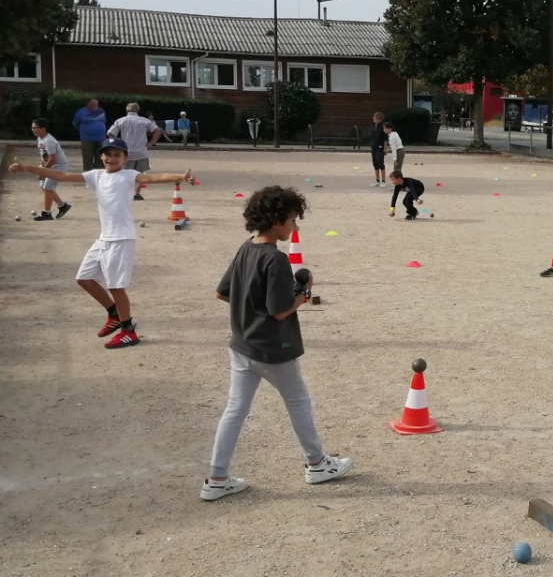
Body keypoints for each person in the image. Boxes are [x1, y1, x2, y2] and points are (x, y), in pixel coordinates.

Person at [203, 186, 354, 501]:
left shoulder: (246, 248)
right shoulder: (276, 259)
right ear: (276, 221)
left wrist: (251, 307)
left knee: (235, 409)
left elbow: (222, 292)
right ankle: (317, 463)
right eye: (292, 219)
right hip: (273, 349)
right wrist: (304, 293)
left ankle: (216, 478)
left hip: (241, 346)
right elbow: (280, 310)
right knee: (298, 402)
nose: (295, 226)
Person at [8, 139, 195, 349]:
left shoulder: (128, 175)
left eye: (117, 155)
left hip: (121, 238)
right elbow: (61, 176)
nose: (111, 159)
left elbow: (154, 177)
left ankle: (128, 331)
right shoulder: (96, 175)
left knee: (115, 286)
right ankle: (114, 314)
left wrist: (180, 176)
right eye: (108, 154)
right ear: (101, 156)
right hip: (104, 238)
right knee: (84, 278)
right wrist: (27, 168)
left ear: (125, 158)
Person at [106, 103, 163, 200]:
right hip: (141, 152)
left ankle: (124, 193)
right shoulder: (144, 120)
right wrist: (151, 142)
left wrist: (117, 144)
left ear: (127, 110)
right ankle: (136, 193)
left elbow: (110, 133)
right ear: (138, 110)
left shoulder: (120, 120)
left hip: (126, 152)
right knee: (140, 174)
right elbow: (158, 130)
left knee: (124, 174)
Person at [27, 118, 73, 221]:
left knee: (48, 188)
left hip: (59, 166)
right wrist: (42, 167)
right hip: (51, 165)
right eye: (32, 128)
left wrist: (43, 171)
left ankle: (46, 213)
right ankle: (63, 206)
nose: (33, 130)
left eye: (36, 128)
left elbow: (53, 158)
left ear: (43, 129)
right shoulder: (40, 139)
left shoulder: (49, 140)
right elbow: (45, 156)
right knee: (44, 187)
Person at [72, 98, 107, 171]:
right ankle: (88, 173)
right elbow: (75, 123)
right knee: (87, 157)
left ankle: (99, 172)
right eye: (93, 105)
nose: (95, 106)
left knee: (100, 157)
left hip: (101, 138)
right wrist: (84, 130)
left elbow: (103, 121)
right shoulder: (81, 112)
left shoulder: (101, 111)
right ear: (88, 104)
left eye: (96, 105)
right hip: (87, 139)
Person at [370, 112, 388, 187]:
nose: (374, 119)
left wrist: (385, 148)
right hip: (374, 147)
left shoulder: (382, 127)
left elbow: (385, 139)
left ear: (380, 119)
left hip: (380, 148)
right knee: (375, 164)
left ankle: (383, 181)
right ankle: (377, 180)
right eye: (374, 117)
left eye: (376, 118)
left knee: (380, 163)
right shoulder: (374, 126)